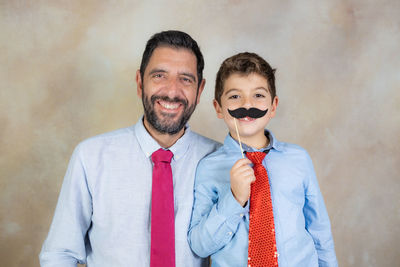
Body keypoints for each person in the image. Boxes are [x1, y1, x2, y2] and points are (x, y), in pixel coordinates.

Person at [39, 30, 220, 267]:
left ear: (200, 90)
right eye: (159, 75)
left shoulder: (222, 161)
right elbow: (59, 255)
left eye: (186, 79)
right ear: (139, 82)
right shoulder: (91, 157)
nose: (172, 91)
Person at [188, 52, 338, 266]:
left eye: (258, 95)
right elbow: (199, 245)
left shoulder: (299, 160)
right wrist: (234, 198)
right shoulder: (208, 168)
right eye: (234, 96)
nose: (247, 104)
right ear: (218, 108)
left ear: (273, 106)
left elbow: (320, 231)